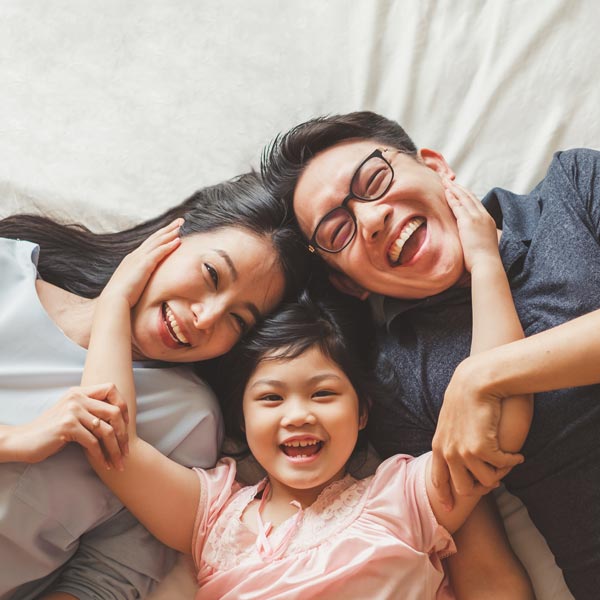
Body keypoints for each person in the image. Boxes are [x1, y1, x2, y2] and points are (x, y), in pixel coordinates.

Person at [76, 188, 533, 600]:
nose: (298, 415)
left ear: (362, 413)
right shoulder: (213, 516)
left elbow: (497, 417)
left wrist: (486, 264)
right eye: (271, 399)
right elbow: (111, 438)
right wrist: (115, 300)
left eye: (323, 395)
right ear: (240, 420)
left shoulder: (403, 498)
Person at [261, 110, 600, 599]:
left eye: (374, 179)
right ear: (346, 283)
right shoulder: (396, 380)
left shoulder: (575, 185)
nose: (372, 218)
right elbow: (484, 568)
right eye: (338, 231)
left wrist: (482, 377)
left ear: (437, 167)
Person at [0, 172, 308, 599]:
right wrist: (14, 440)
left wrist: (115, 305)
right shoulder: (6, 271)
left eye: (239, 319)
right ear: (173, 235)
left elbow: (107, 579)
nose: (206, 317)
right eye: (212, 275)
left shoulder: (187, 420)